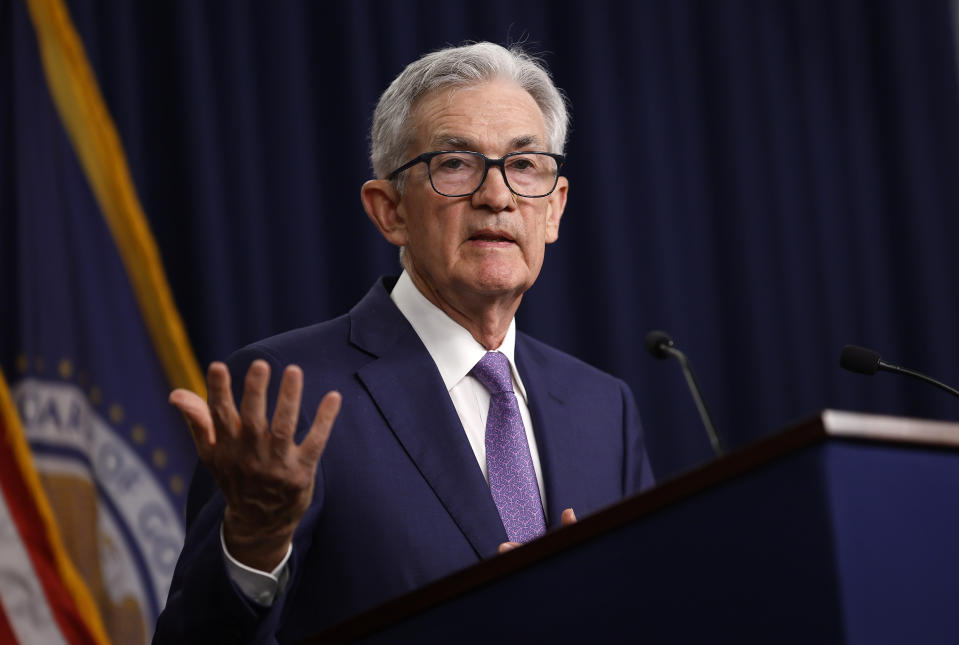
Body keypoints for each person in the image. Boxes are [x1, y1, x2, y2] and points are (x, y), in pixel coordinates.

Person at [153, 41, 654, 644]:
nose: (497, 196)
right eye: (455, 164)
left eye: (523, 166)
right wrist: (255, 544)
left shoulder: (604, 408)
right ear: (388, 210)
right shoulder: (293, 391)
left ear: (553, 209)